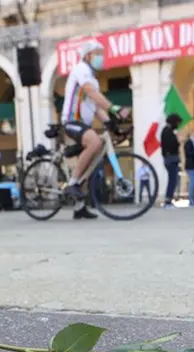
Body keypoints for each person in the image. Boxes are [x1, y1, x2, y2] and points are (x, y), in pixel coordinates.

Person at [60, 39, 131, 220]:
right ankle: (73, 183)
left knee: (91, 159)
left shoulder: (92, 78)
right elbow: (91, 93)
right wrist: (114, 108)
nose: (101, 57)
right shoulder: (81, 70)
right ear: (87, 55)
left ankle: (79, 207)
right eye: (97, 53)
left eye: (102, 53)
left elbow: (96, 107)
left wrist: (111, 124)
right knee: (95, 141)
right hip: (71, 120)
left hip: (83, 123)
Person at [161, 113, 182, 209]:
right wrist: (178, 141)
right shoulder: (168, 132)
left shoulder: (168, 131)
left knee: (173, 180)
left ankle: (169, 200)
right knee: (172, 180)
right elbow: (172, 145)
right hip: (171, 159)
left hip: (171, 159)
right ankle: (168, 201)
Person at [184, 132, 194, 206]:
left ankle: (193, 200)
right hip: (191, 166)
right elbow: (188, 153)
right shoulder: (188, 143)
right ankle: (191, 201)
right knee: (192, 183)